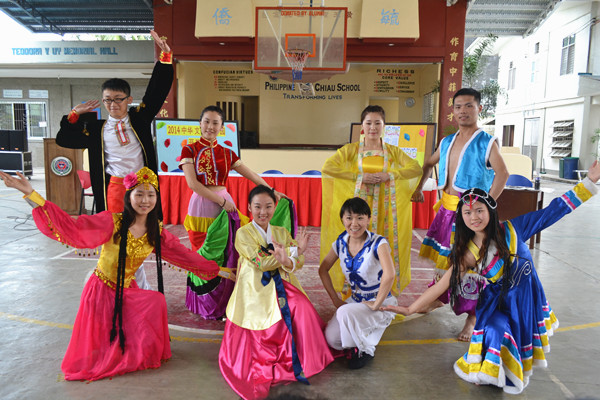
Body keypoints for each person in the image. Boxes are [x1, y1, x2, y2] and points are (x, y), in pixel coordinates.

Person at [382, 161, 600, 394]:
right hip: (497, 303)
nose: (474, 217)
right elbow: (442, 285)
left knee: (518, 341)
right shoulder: (466, 254)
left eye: (479, 210)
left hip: (525, 300)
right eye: (467, 212)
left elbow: (554, 211)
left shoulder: (514, 229)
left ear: (490, 211)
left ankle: (501, 368)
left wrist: (589, 181)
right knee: (496, 331)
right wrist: (410, 309)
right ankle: (489, 370)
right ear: (461, 217)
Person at [0, 167, 231, 381]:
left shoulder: (155, 231)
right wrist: (31, 194)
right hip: (102, 290)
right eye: (139, 194)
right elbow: (71, 227)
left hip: (126, 289)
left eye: (150, 195)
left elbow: (184, 255)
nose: (145, 200)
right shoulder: (111, 222)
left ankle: (137, 350)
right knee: (102, 350)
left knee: (156, 301)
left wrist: (217, 269)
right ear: (129, 196)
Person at [219, 185, 335, 400]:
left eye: (268, 206)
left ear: (274, 207)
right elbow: (261, 262)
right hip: (255, 288)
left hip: (282, 281)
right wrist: (291, 253)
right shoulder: (243, 233)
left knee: (301, 305)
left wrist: (291, 257)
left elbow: (298, 262)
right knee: (268, 317)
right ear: (249, 207)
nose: (263, 212)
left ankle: (306, 357)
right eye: (258, 207)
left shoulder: (281, 231)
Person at [412, 88, 509, 341]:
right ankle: (438, 297)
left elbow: (503, 174)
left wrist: (485, 208)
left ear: (479, 109)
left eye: (468, 106)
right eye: (458, 107)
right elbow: (428, 163)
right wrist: (418, 188)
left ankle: (473, 317)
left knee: (471, 265)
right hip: (446, 210)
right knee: (447, 261)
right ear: (453, 110)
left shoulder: (486, 142)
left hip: (470, 216)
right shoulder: (446, 142)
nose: (462, 111)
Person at [179, 105, 286, 319]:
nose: (210, 126)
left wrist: (271, 191)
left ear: (222, 127)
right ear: (200, 123)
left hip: (224, 206)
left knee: (226, 253)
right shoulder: (189, 150)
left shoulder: (227, 153)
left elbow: (251, 175)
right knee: (202, 252)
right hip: (202, 205)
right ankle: (205, 303)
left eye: (215, 123)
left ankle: (225, 301)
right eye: (206, 121)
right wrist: (221, 201)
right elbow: (192, 184)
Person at [56, 30, 172, 214]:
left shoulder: (139, 119)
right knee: (114, 227)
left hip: (142, 185)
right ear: (103, 101)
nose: (113, 104)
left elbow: (156, 92)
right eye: (108, 100)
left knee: (143, 227)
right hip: (114, 187)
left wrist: (164, 59)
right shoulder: (97, 129)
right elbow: (64, 140)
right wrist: (74, 114)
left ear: (129, 99)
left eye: (118, 99)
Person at [321, 105, 422, 299]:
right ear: (362, 126)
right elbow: (329, 167)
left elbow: (415, 168)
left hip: (385, 211)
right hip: (359, 211)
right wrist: (359, 177)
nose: (373, 127)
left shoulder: (392, 151)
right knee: (357, 244)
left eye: (377, 123)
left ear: (384, 126)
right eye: (368, 123)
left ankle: (382, 291)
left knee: (381, 246)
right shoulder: (351, 150)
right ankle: (354, 289)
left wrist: (390, 175)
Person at [319, 197, 396, 369]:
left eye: (360, 218)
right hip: (356, 301)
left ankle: (365, 349)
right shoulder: (340, 242)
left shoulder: (378, 243)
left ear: (368, 219)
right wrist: (335, 300)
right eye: (349, 218)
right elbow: (323, 269)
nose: (354, 223)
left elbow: (390, 274)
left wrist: (377, 304)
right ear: (342, 219)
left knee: (344, 312)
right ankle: (360, 336)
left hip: (380, 302)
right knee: (332, 339)